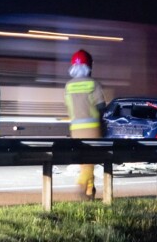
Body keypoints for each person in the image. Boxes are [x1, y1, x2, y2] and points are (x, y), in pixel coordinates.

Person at [64, 49, 106, 200]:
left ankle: (90, 195)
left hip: (75, 130)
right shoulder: (93, 84)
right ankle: (82, 187)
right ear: (89, 66)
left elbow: (69, 107)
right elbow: (101, 108)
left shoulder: (68, 86)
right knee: (90, 162)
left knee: (85, 163)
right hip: (92, 129)